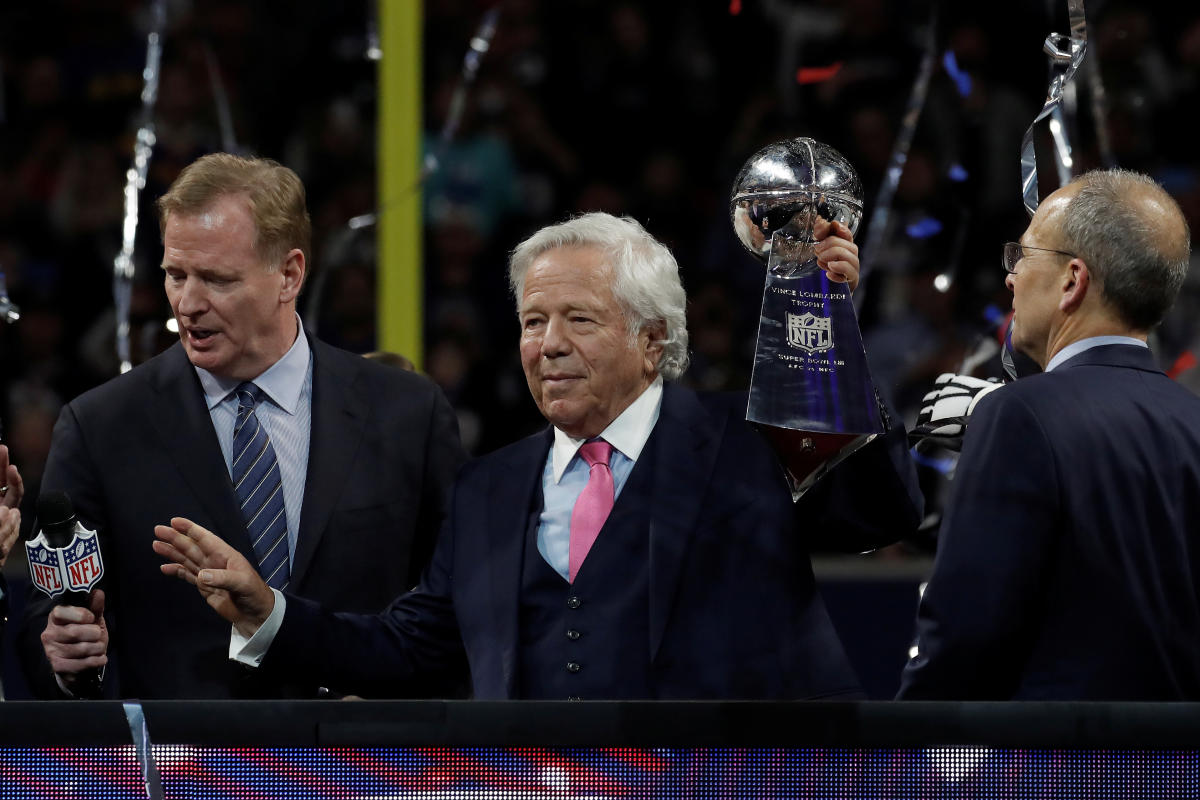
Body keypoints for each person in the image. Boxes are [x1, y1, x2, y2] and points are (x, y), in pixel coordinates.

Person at [154, 211, 922, 700]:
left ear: (653, 340)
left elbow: (879, 513)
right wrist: (271, 615)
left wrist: (832, 341)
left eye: (579, 320)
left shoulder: (750, 445)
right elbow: (410, 646)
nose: (547, 345)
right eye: (532, 321)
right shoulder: (489, 486)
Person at [21, 153, 464, 699]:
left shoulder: (407, 415)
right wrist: (65, 658)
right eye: (175, 275)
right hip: (194, 774)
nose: (188, 303)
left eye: (216, 279)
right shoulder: (101, 426)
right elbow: (47, 624)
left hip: (365, 770)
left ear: (290, 274)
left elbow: (455, 613)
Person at [898, 169, 1200, 700]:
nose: (1011, 278)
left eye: (1024, 255)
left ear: (1071, 281)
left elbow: (965, 634)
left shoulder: (1016, 416)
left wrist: (905, 758)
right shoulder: (1192, 421)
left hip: (1056, 770)